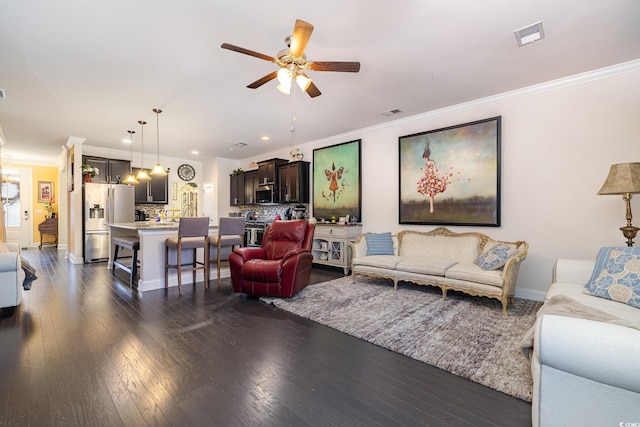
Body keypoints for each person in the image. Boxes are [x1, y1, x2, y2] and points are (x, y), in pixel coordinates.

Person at [416, 141, 450, 213]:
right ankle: (431, 209)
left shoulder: (432, 161)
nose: (424, 159)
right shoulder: (427, 162)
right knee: (430, 194)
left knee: (431, 194)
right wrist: (426, 176)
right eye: (424, 159)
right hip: (428, 177)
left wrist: (437, 177)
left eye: (425, 158)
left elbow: (434, 169)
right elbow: (427, 170)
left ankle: (432, 208)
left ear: (427, 156)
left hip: (432, 178)